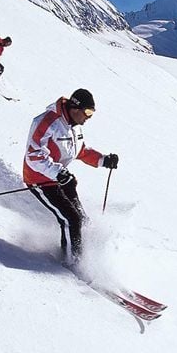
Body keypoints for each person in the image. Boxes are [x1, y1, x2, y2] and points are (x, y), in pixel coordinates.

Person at [23, 88, 119, 265]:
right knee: (70, 219)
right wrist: (57, 173)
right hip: (40, 179)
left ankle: (84, 256)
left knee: (82, 219)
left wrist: (103, 160)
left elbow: (80, 151)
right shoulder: (47, 121)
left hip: (62, 178)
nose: (89, 117)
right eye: (88, 112)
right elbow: (33, 155)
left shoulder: (74, 127)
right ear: (75, 108)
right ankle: (73, 263)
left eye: (92, 113)